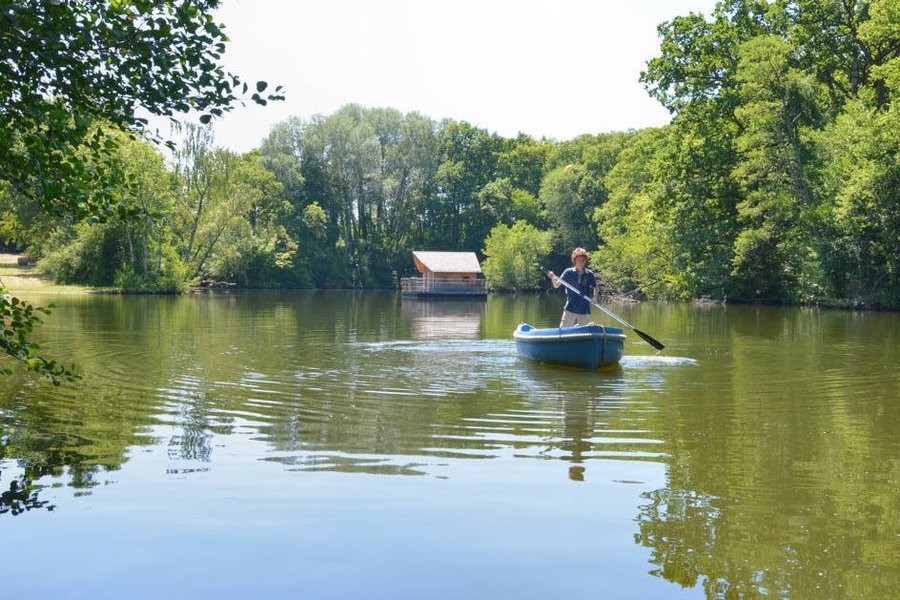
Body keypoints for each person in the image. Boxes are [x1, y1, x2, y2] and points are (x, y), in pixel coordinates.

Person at [546, 247, 599, 328]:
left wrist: (595, 297)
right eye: (579, 260)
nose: (581, 262)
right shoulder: (568, 272)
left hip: (584, 309)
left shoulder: (589, 274)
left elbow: (596, 287)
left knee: (583, 335)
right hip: (570, 308)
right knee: (563, 332)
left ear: (585, 261)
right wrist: (552, 277)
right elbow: (556, 285)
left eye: (583, 260)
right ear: (575, 260)